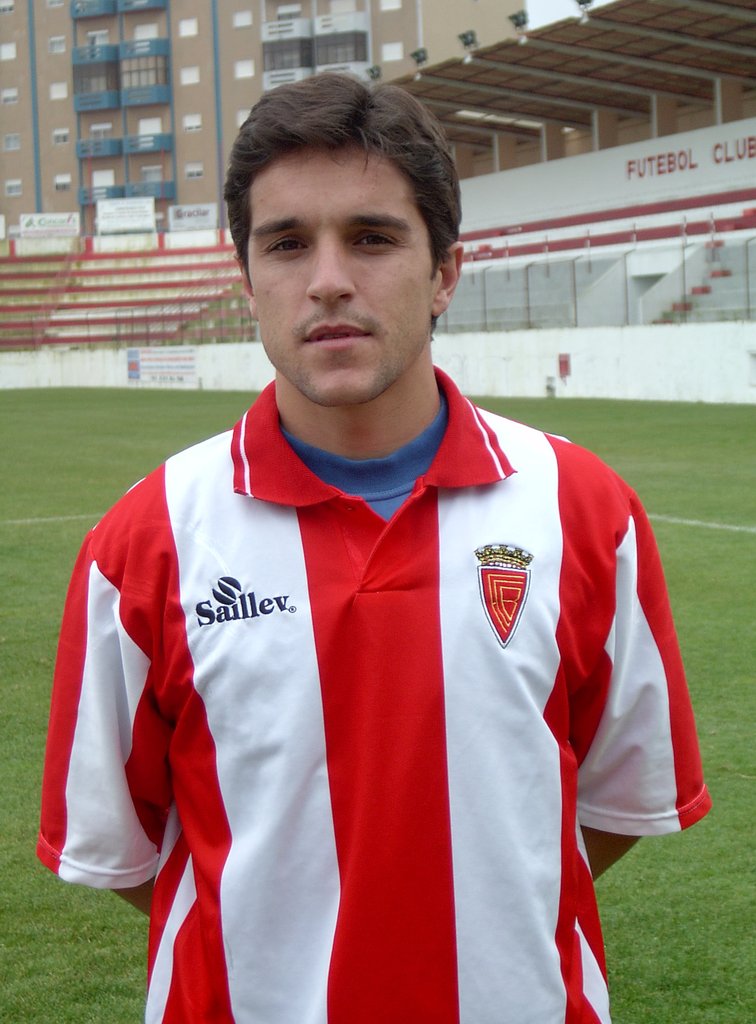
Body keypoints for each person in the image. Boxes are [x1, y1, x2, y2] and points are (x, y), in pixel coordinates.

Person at [38, 73, 711, 1024]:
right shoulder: (144, 541)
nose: (327, 279)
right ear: (248, 278)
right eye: (286, 243)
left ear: (444, 273)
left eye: (372, 237)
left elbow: (616, 805)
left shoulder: (583, 508)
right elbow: (120, 847)